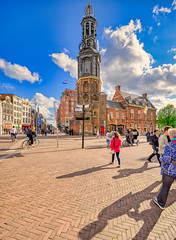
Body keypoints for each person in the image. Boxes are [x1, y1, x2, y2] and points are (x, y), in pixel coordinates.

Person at [153, 128, 176, 210]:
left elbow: (166, 160)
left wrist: (161, 159)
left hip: (170, 170)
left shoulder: (169, 145)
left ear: (171, 136)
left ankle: (161, 203)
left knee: (165, 187)